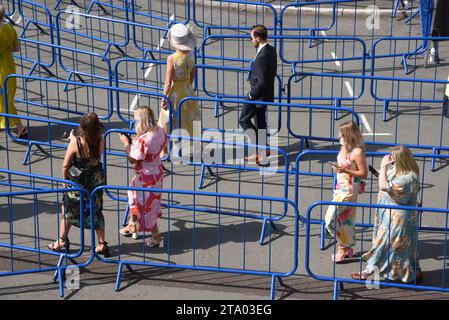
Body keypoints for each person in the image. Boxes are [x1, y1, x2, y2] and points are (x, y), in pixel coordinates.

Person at [351, 146, 422, 283]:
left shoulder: (409, 177)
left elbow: (385, 186)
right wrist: (381, 172)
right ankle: (414, 272)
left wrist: (383, 167)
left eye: (393, 161)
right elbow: (387, 180)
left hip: (398, 218)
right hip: (388, 214)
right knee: (402, 247)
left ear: (401, 161)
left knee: (384, 244)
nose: (391, 163)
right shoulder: (399, 170)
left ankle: (368, 271)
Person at [48, 112, 109, 257]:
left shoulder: (76, 144)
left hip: (78, 184)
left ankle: (62, 240)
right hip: (95, 182)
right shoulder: (100, 140)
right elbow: (92, 153)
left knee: (68, 209)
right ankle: (101, 244)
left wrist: (65, 182)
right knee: (96, 211)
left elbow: (65, 165)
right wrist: (73, 139)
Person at [120, 106, 167, 247]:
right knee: (134, 196)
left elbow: (133, 159)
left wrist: (127, 145)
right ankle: (132, 223)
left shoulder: (143, 141)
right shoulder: (159, 130)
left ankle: (156, 236)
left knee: (146, 206)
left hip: (145, 176)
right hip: (156, 172)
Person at [325, 121, 368, 263]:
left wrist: (344, 170)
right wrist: (337, 169)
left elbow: (363, 173)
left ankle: (342, 248)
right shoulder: (343, 147)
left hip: (349, 190)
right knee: (345, 220)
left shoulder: (357, 152)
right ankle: (347, 247)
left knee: (330, 219)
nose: (338, 136)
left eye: (341, 134)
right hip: (339, 187)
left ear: (348, 135)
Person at [159, 23, 200, 159]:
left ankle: (165, 151)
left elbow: (168, 81)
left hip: (176, 91)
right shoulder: (192, 55)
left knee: (166, 120)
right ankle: (190, 148)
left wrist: (164, 97)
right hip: (188, 89)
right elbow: (193, 72)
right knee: (189, 119)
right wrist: (188, 84)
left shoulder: (172, 58)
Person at [238, 25, 277, 167]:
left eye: (252, 38)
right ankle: (260, 151)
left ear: (258, 38)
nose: (251, 40)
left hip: (257, 95)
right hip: (265, 95)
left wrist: (250, 94)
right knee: (260, 124)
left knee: (243, 120)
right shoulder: (270, 49)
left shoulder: (262, 56)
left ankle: (262, 148)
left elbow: (262, 80)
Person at [0, 6, 27, 138]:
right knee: (6, 97)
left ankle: (20, 127)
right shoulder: (9, 28)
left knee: (4, 99)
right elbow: (16, 48)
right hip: (8, 64)